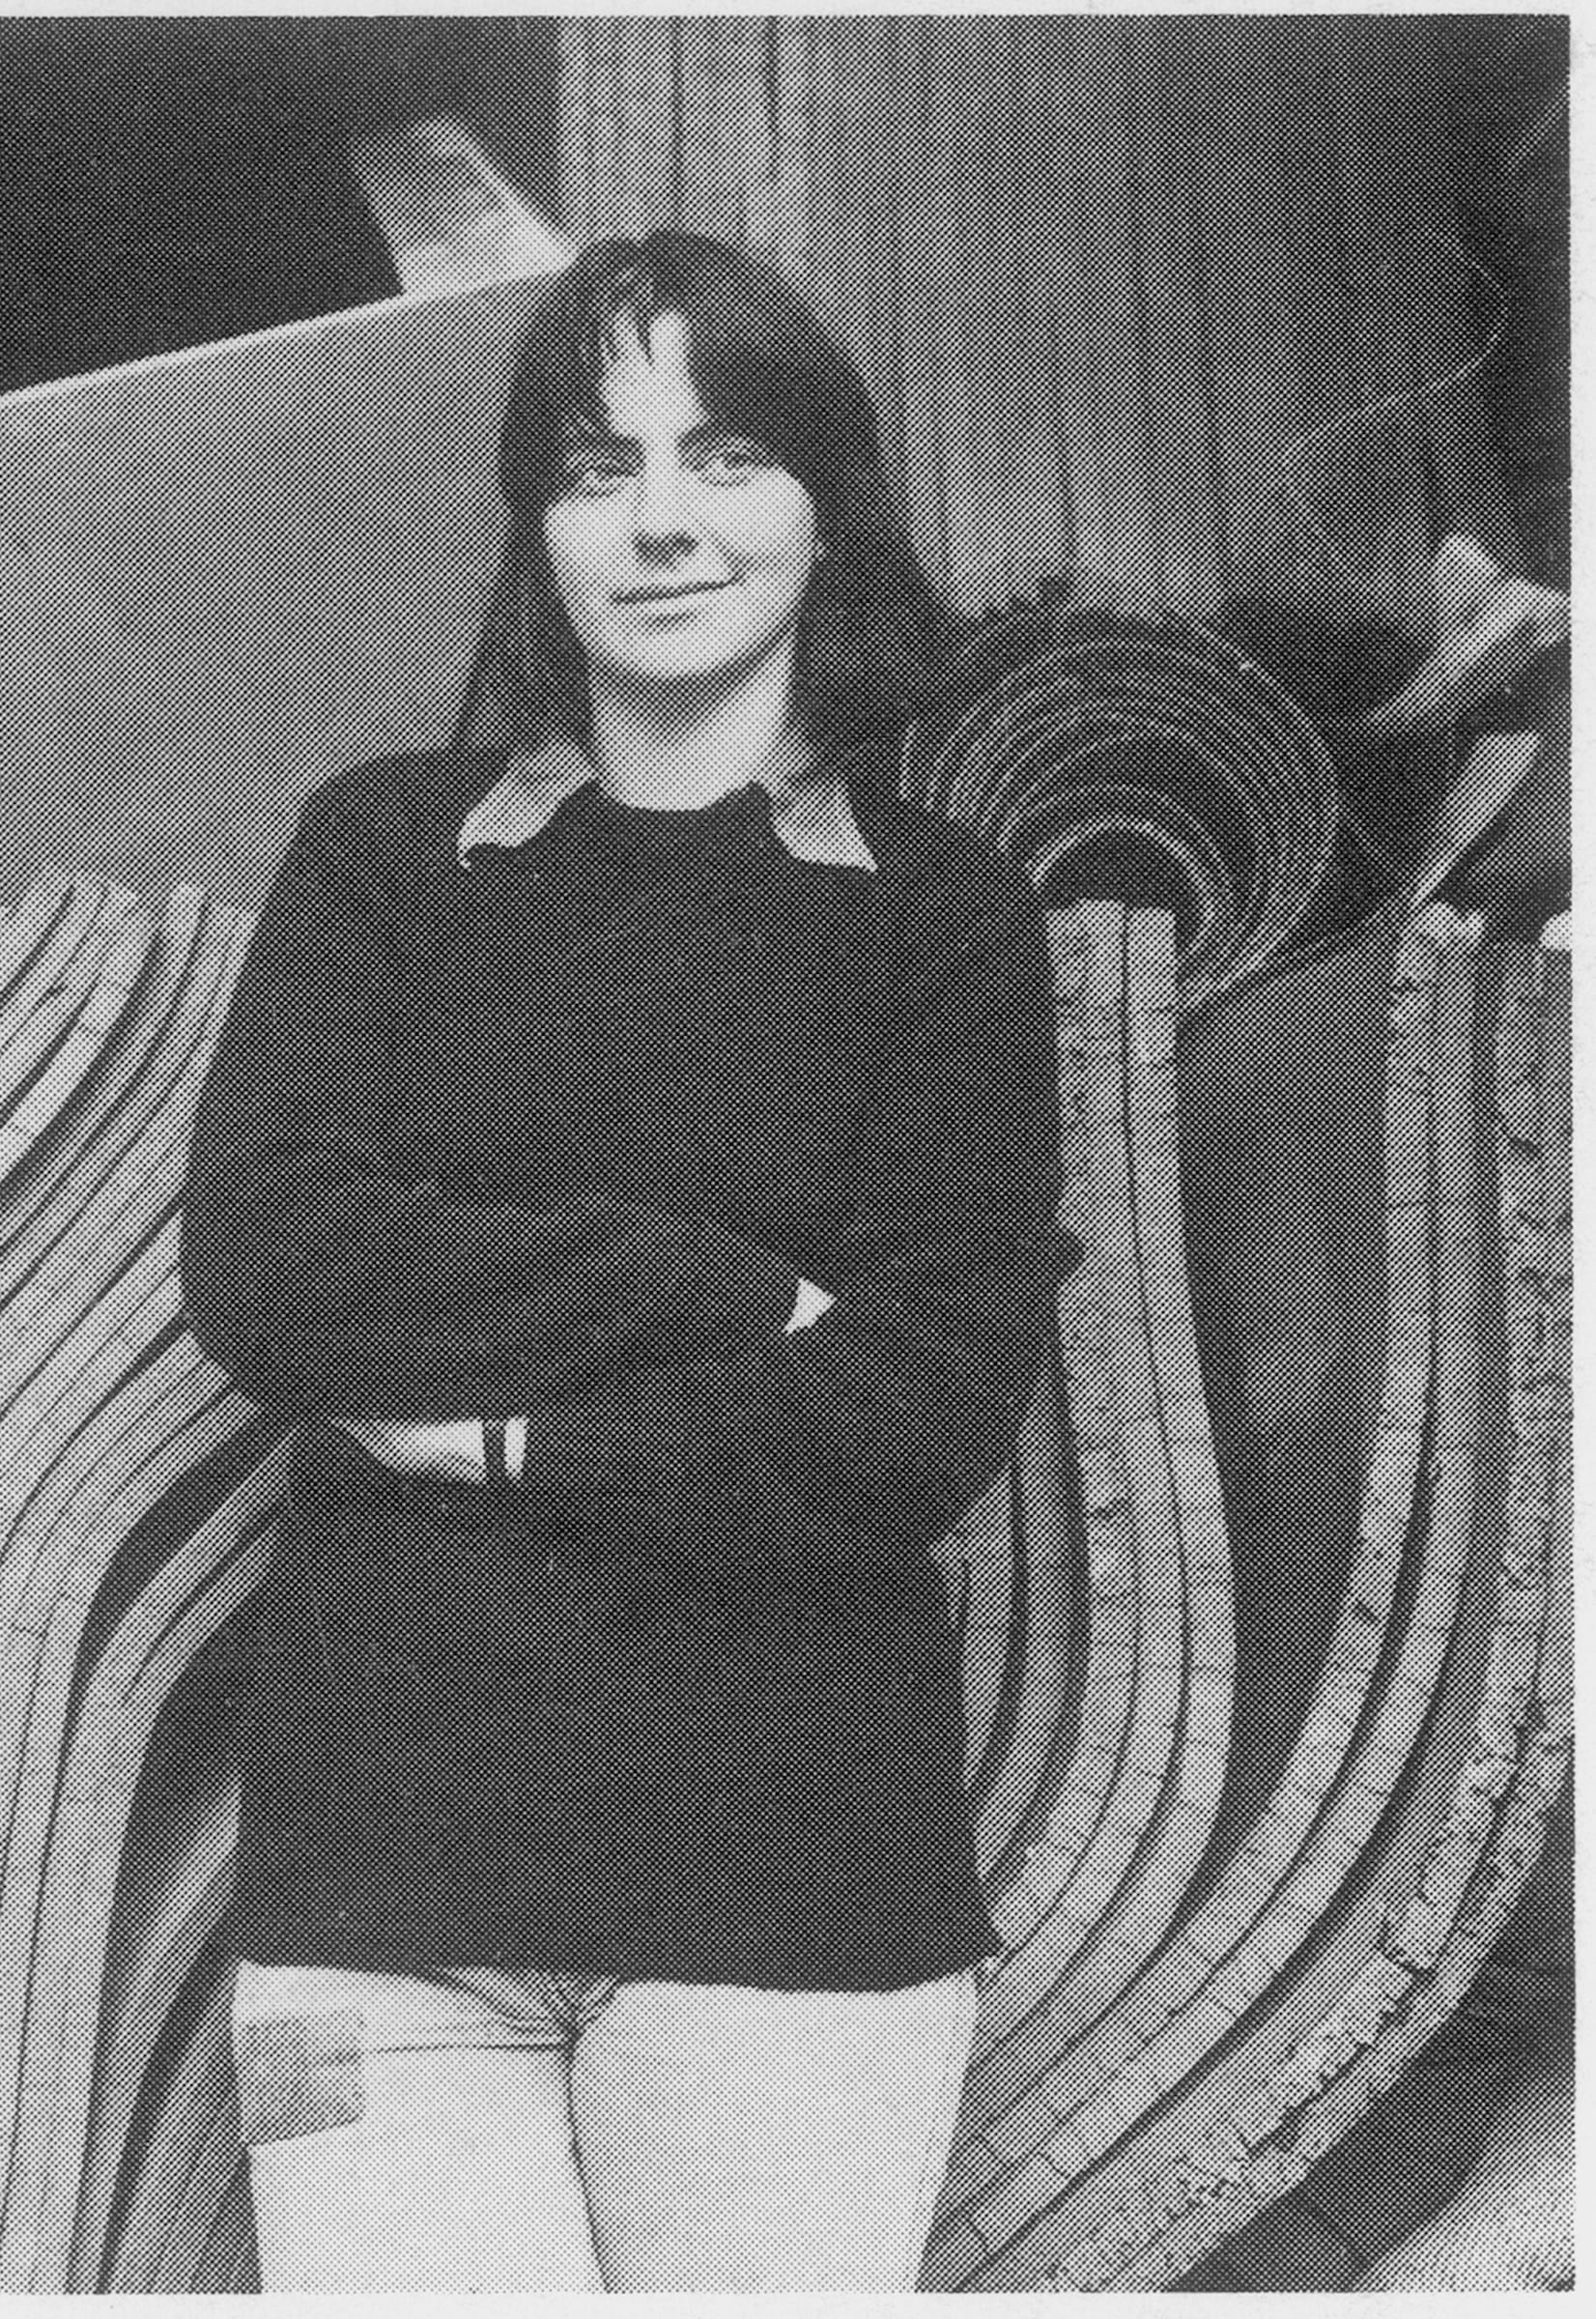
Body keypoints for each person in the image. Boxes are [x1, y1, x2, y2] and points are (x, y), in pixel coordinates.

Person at [179, 228, 1074, 2293]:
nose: (663, 520)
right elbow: (269, 1266)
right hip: (372, 1898)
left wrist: (505, 1443)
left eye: (725, 453)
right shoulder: (383, 851)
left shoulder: (944, 920)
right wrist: (726, 1294)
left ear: (826, 503)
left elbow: (914, 1418)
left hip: (794, 1900)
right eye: (599, 467)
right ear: (541, 529)